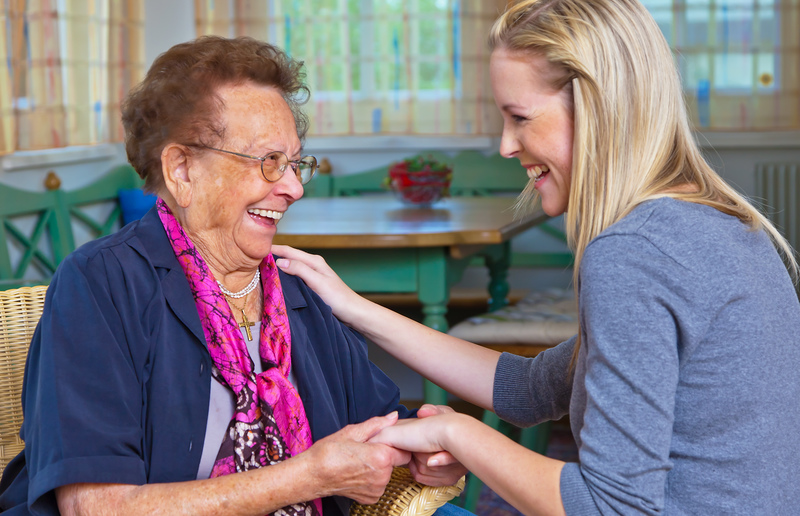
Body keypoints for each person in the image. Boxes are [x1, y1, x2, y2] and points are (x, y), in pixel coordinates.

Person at [272, 0, 800, 514]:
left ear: (597, 108)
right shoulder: (714, 222)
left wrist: (454, 431)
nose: (506, 144)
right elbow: (529, 390)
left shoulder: (632, 252)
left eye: (519, 117)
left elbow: (610, 507)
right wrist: (354, 307)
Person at [0, 36, 467, 516]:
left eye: (293, 163)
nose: (293, 187)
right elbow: (94, 507)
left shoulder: (298, 287)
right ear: (182, 170)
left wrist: (428, 442)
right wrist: (308, 475)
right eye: (268, 162)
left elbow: (377, 419)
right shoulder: (101, 284)